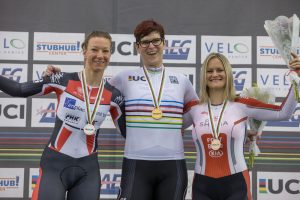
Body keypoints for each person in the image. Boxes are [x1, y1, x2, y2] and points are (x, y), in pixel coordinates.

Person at [0, 31, 125, 200]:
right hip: (54, 165)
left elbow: (129, 133)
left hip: (88, 170)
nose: (100, 55)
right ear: (84, 51)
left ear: (110, 53)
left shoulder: (114, 95)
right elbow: (19, 89)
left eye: (105, 51)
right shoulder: (62, 80)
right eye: (94, 49)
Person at [187, 52, 300, 200]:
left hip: (236, 184)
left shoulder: (242, 104)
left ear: (227, 73)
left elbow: (282, 113)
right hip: (202, 185)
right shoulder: (193, 108)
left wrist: (297, 78)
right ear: (204, 76)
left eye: (220, 70)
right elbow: (169, 126)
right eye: (209, 71)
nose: (215, 74)